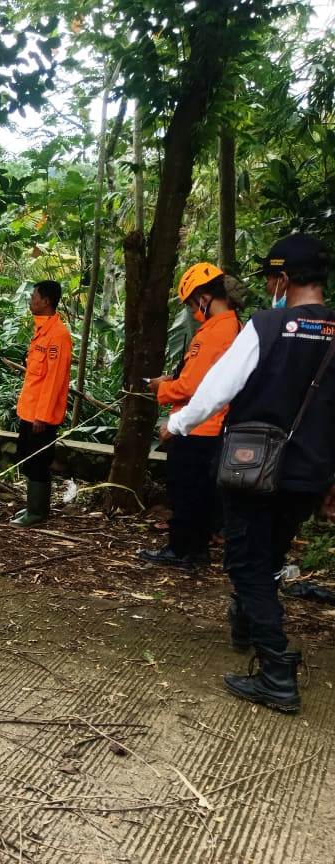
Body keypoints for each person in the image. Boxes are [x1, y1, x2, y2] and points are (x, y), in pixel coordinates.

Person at [162, 233, 335, 713]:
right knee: (271, 553)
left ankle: (277, 672)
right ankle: (248, 623)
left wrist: (176, 424)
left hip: (254, 469)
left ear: (281, 279)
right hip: (309, 475)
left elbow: (218, 388)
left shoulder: (267, 325)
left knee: (248, 564)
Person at [139, 263, 241, 569]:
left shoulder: (215, 331)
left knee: (185, 492)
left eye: (192, 304)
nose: (192, 311)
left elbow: (191, 386)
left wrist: (162, 388)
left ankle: (182, 550)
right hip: (211, 426)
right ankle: (194, 550)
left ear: (204, 297)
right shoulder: (230, 327)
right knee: (199, 494)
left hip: (198, 427)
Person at [11, 280, 73, 527]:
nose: (31, 300)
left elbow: (54, 380)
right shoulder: (42, 331)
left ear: (46, 301)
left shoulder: (58, 336)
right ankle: (33, 507)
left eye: (34, 296)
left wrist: (43, 416)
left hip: (41, 416)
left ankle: (37, 513)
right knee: (29, 459)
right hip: (29, 411)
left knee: (39, 461)